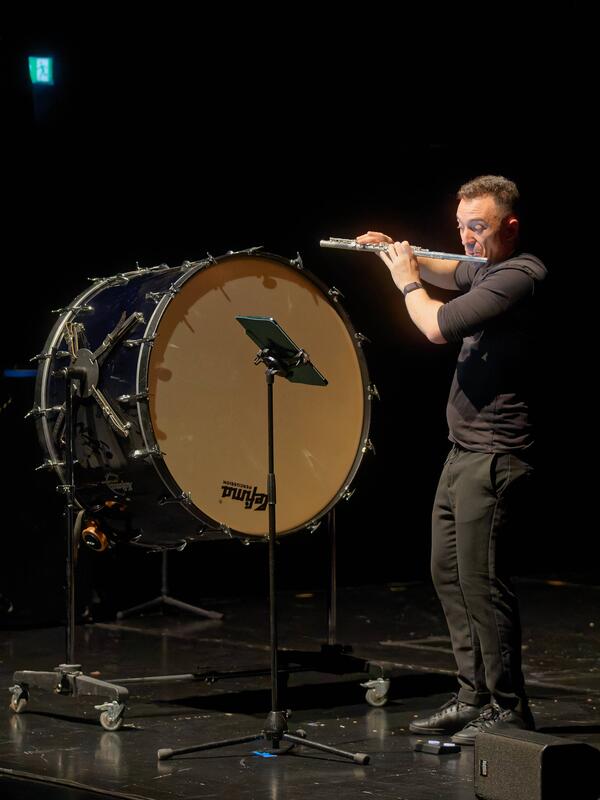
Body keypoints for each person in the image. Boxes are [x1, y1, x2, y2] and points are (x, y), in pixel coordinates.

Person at [357, 175, 546, 745]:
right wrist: (396, 249)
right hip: (461, 452)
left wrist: (405, 281)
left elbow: (436, 326)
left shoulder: (521, 276)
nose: (464, 239)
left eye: (478, 227)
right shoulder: (485, 265)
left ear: (509, 227)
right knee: (449, 576)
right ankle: (473, 697)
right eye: (460, 226)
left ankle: (508, 708)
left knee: (483, 584)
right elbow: (447, 269)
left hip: (495, 456)